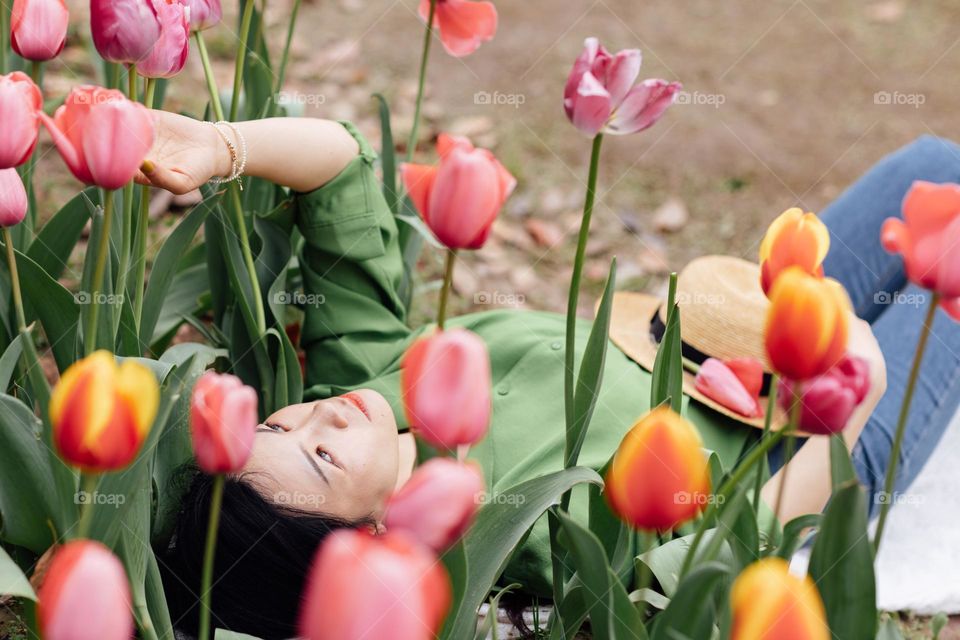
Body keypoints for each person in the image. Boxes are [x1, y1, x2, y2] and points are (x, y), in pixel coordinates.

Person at [138, 113, 959, 639]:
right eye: (321, 457)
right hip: (808, 439)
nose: (322, 416)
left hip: (724, 330)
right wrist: (856, 399)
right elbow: (736, 539)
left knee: (932, 165)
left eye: (280, 423)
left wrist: (217, 143)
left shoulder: (369, 376)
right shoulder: (526, 540)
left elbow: (340, 175)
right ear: (375, 541)